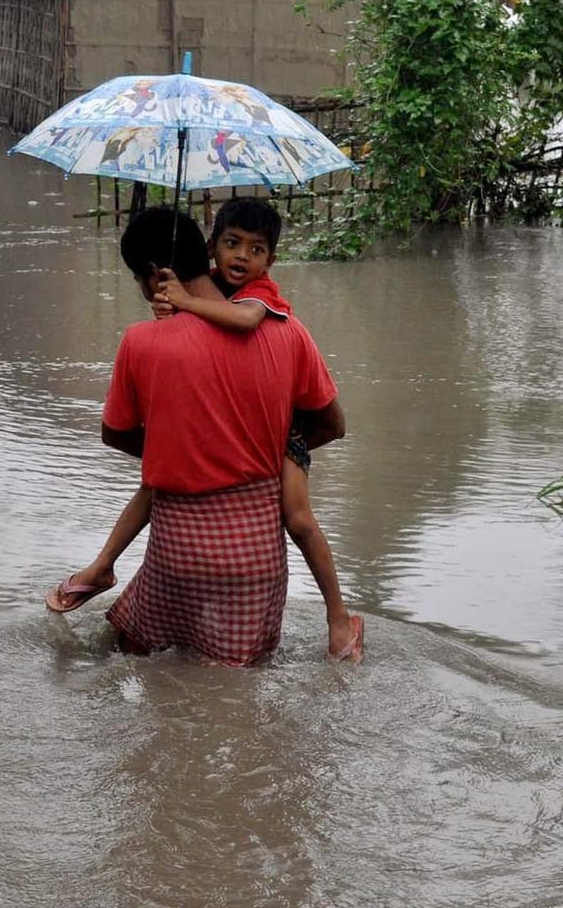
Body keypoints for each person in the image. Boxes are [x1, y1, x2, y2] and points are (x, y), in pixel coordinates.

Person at [47, 199, 360, 662]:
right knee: (238, 693)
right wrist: (266, 453)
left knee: (134, 660)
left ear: (155, 276)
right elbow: (332, 424)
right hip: (253, 558)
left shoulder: (141, 341)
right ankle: (339, 625)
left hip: (175, 550)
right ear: (209, 251)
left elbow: (115, 435)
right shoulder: (288, 331)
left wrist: (186, 452)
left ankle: (100, 572)